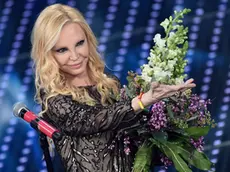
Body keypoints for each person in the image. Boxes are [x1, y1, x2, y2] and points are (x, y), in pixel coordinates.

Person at [31, 3, 196, 172]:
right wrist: (142, 101)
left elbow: (132, 141)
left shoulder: (108, 83)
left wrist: (174, 122)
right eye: (62, 50)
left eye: (80, 43)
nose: (74, 56)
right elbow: (92, 120)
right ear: (48, 54)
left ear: (89, 39)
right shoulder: (55, 100)